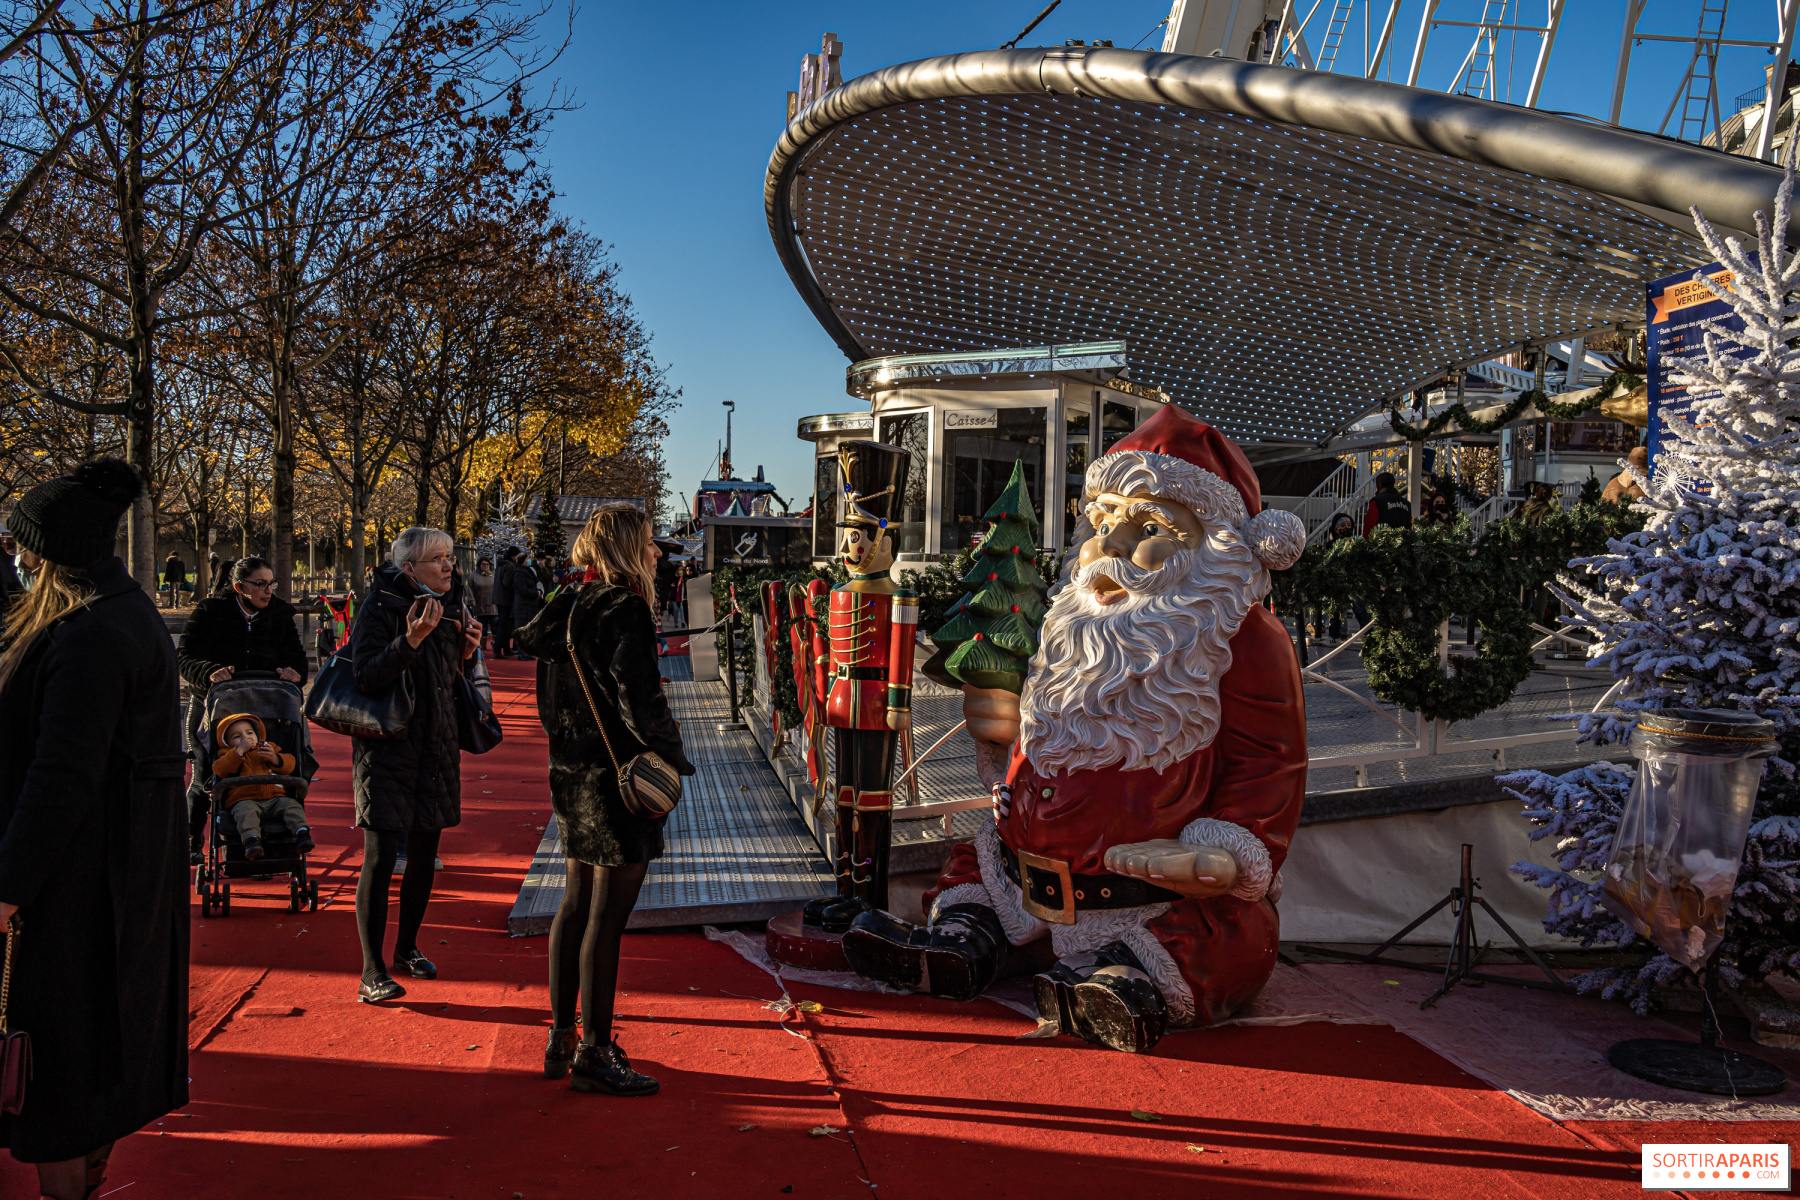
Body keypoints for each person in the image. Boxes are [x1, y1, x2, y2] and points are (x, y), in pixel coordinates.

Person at [0, 459, 187, 1199]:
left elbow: (62, 777)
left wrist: (9, 886)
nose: (15, 557)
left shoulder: (88, 632)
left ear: (50, 554)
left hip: (76, 888)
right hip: (112, 871)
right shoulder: (118, 611)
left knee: (62, 1069)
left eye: (23, 547)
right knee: (93, 1063)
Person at [516, 504, 695, 1096]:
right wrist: (672, 757)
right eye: (647, 542)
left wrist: (570, 748)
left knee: (574, 904)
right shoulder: (625, 609)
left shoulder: (565, 606)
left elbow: (548, 700)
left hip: (571, 771)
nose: (655, 553)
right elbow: (639, 702)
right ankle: (595, 1049)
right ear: (624, 548)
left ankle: (561, 1037)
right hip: (619, 777)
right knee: (607, 917)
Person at [350, 526, 480, 1004]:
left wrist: (465, 654)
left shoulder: (451, 602)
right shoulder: (381, 604)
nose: (449, 566)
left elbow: (445, 679)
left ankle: (407, 948)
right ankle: (371, 970)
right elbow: (365, 675)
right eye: (437, 559)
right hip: (388, 748)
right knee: (382, 858)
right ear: (409, 569)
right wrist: (409, 640)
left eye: (449, 557)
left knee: (425, 855)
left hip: (436, 745)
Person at [176, 557, 309, 859]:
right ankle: (191, 838)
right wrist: (208, 671)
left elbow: (297, 659)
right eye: (260, 584)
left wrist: (294, 673)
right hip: (214, 704)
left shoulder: (279, 615)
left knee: (271, 767)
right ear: (239, 587)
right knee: (205, 773)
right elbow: (184, 657)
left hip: (267, 705)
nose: (268, 591)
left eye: (271, 584)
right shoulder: (210, 612)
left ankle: (275, 842)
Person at [211, 713, 311, 860]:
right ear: (227, 743)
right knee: (246, 812)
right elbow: (219, 769)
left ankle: (302, 833)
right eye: (237, 737)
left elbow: (290, 765)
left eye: (250, 732)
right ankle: (252, 841)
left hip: (275, 797)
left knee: (291, 805)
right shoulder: (227, 754)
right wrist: (238, 752)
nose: (246, 738)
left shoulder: (268, 748)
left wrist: (275, 759)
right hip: (244, 799)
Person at [510, 552, 546, 659]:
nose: (530, 560)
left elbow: (537, 582)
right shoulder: (518, 573)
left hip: (531, 604)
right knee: (522, 629)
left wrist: (539, 590)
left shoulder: (529, 570)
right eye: (528, 558)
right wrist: (536, 593)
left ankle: (527, 652)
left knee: (529, 629)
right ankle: (522, 653)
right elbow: (522, 590)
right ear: (523, 560)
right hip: (522, 605)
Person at [491, 548, 519, 657]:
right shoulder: (510, 566)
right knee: (504, 625)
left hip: (499, 598)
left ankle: (506, 648)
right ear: (513, 556)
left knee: (504, 624)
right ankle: (497, 649)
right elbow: (507, 583)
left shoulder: (500, 565)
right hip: (506, 599)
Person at [470, 555, 499, 652]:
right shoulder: (473, 575)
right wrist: (472, 600)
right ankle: (482, 646)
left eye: (487, 564)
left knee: (495, 626)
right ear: (479, 565)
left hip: (493, 605)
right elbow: (469, 589)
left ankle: (496, 646)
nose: (485, 566)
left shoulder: (494, 575)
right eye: (483, 564)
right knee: (483, 627)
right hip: (480, 605)